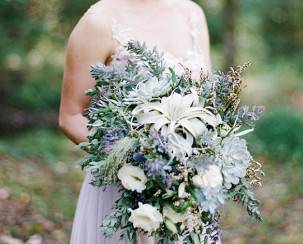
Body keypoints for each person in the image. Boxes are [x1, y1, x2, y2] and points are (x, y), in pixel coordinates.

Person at [58, 0, 212, 243]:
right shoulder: (98, 21)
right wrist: (134, 163)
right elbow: (71, 116)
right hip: (125, 191)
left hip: (187, 191)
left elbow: (207, 101)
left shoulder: (192, 14)